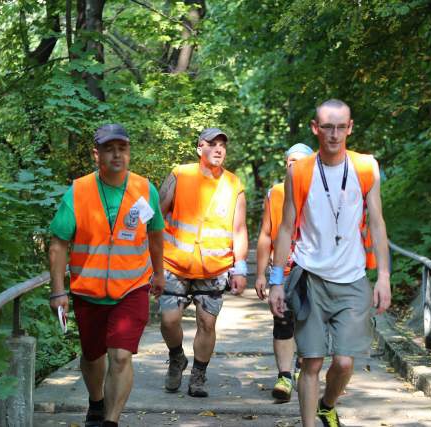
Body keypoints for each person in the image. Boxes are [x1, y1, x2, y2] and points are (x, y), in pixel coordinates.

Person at [268, 100, 391, 427]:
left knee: (345, 362)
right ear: (315, 128)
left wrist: (384, 277)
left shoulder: (366, 167)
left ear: (350, 128)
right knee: (310, 362)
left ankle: (328, 403)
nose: (334, 135)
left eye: (340, 127)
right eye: (327, 127)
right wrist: (277, 280)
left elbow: (377, 223)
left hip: (352, 279)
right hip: (310, 279)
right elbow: (285, 226)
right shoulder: (300, 171)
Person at [48, 124, 165, 427]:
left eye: (122, 148)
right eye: (110, 149)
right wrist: (58, 290)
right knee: (92, 355)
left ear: (129, 152)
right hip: (88, 291)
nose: (117, 154)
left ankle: (110, 421)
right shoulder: (80, 190)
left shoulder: (144, 189)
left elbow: (154, 236)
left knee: (121, 355)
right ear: (96, 154)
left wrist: (159, 273)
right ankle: (96, 401)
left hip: (132, 286)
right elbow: (59, 243)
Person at [158, 127, 248, 398]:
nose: (219, 149)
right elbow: (156, 214)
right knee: (168, 319)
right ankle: (176, 357)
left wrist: (239, 267)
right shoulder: (180, 174)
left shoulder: (234, 184)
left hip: (214, 266)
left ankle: (198, 375)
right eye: (212, 144)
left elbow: (239, 229)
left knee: (207, 323)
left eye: (222, 144)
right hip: (174, 263)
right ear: (200, 148)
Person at [254, 142, 313, 403]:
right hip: (284, 270)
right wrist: (259, 274)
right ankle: (285, 376)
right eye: (291, 162)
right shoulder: (275, 193)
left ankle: (305, 370)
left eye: (300, 162)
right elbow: (266, 235)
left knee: (311, 324)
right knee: (283, 321)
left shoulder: (321, 191)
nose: (294, 166)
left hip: (313, 270)